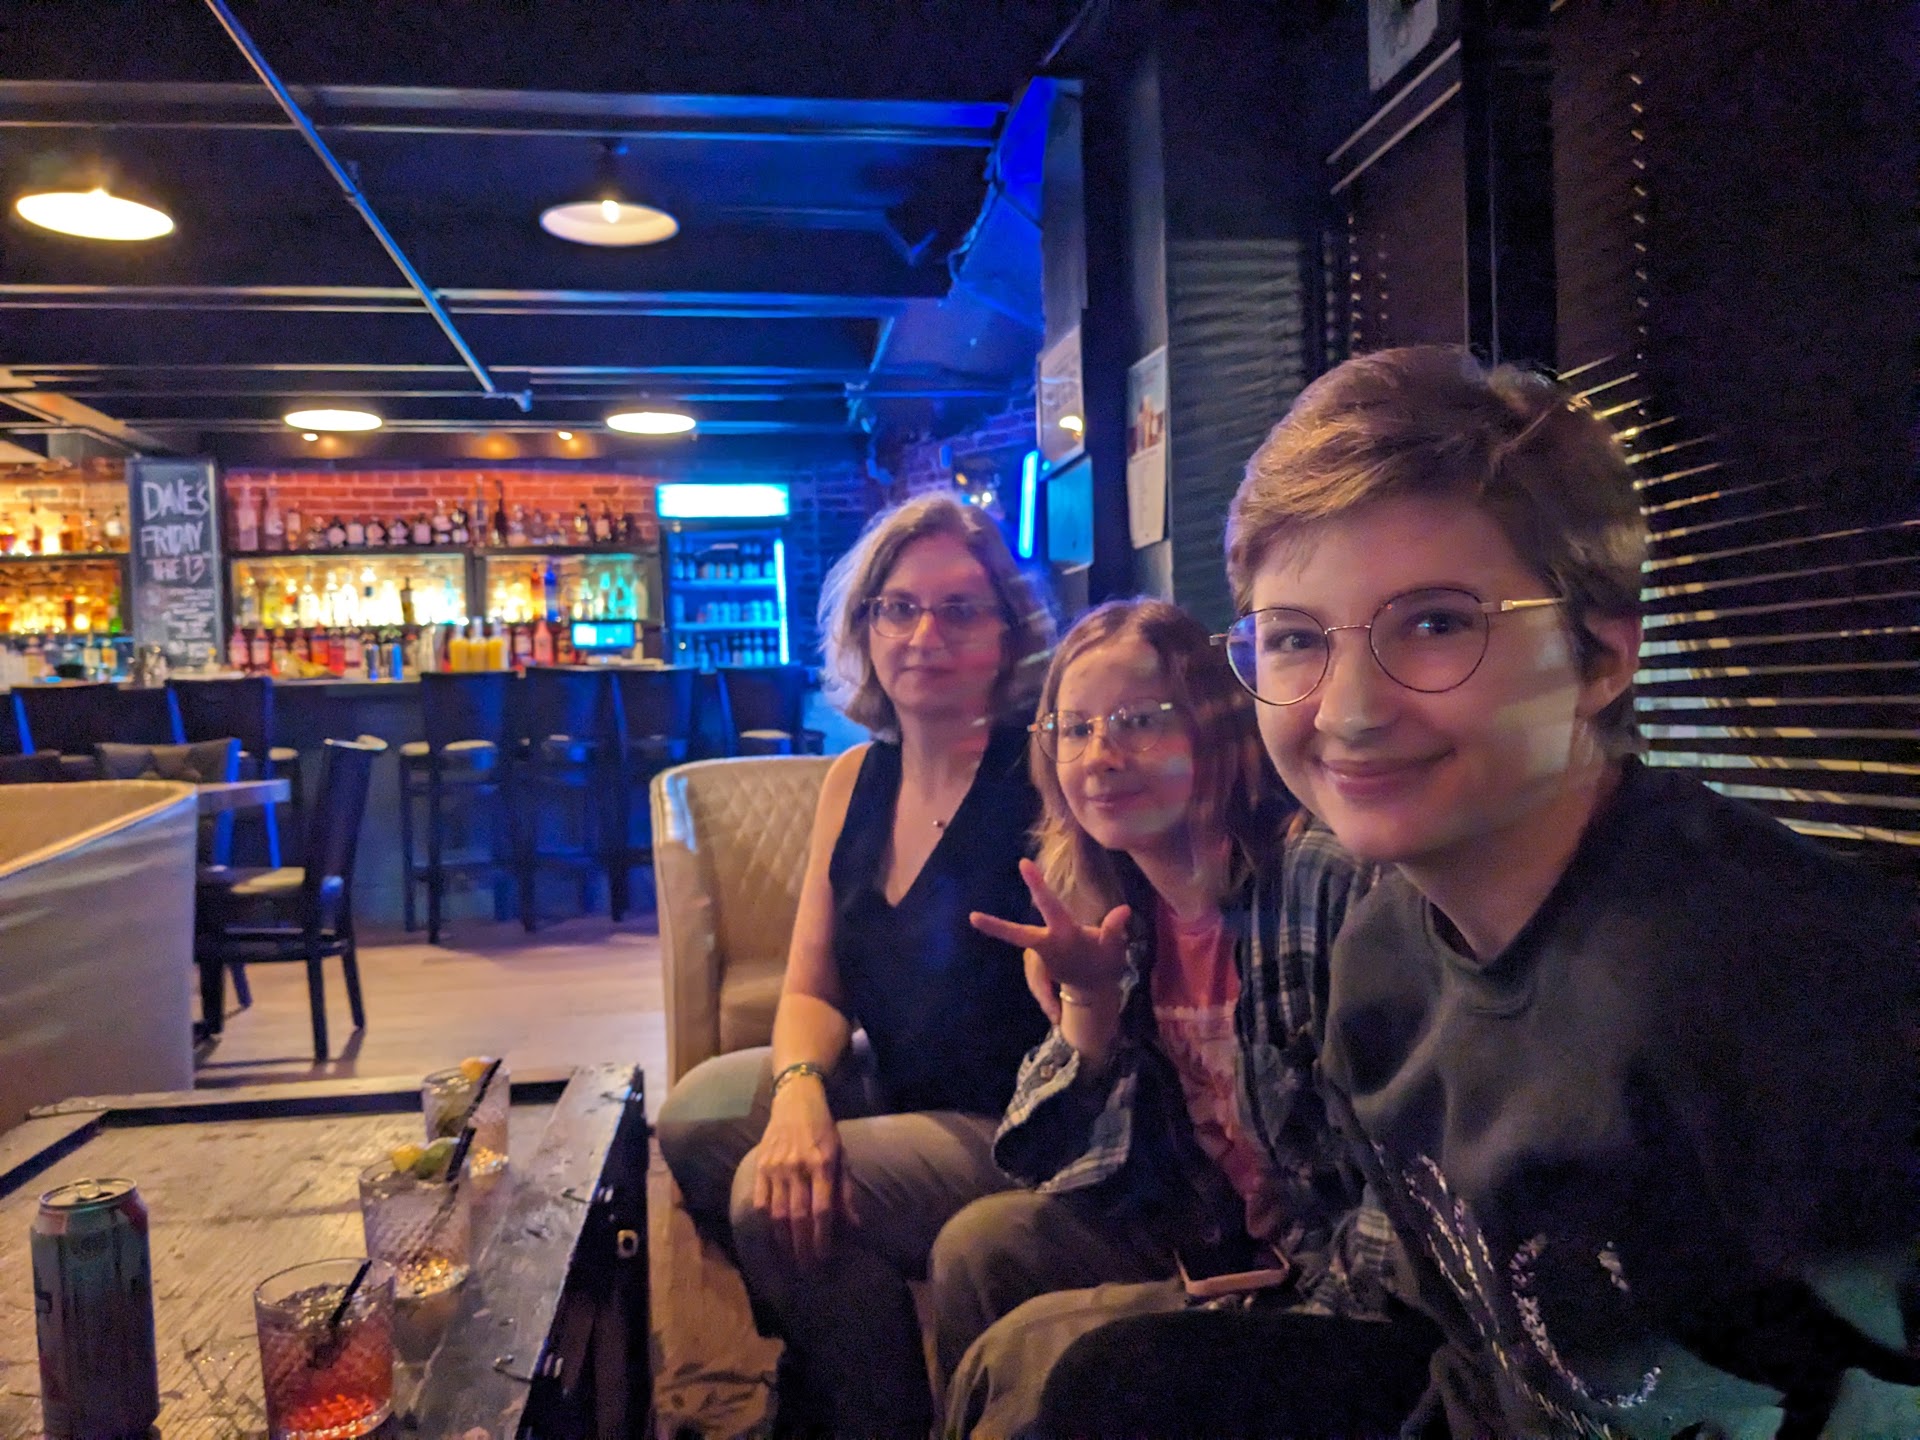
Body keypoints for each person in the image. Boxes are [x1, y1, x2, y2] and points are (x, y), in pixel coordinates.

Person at [1212, 344, 1920, 1438]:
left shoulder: (1789, 989)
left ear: (1601, 658)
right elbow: (1484, 1368)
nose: (1348, 711)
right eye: (1296, 639)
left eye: (1437, 623)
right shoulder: (1380, 964)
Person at [935, 598, 1439, 1439]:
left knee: (1023, 1357)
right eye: (1074, 728)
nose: (1100, 756)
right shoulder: (1110, 909)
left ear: (1213, 729)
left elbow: (1408, 1176)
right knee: (981, 1245)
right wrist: (1090, 1007)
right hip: (1209, 1234)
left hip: (1339, 1283)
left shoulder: (1322, 881)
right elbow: (1046, 1164)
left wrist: (1283, 1315)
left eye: (1137, 722)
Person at [654, 491, 1056, 1437]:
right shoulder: (853, 779)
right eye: (898, 607)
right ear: (865, 625)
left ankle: (874, 1420)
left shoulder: (1047, 773)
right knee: (698, 1117)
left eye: (960, 610)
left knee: (768, 1197)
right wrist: (800, 1095)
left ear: (1009, 634)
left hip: (1016, 1121)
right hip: (902, 1084)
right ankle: (840, 1360)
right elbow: (813, 986)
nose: (924, 634)